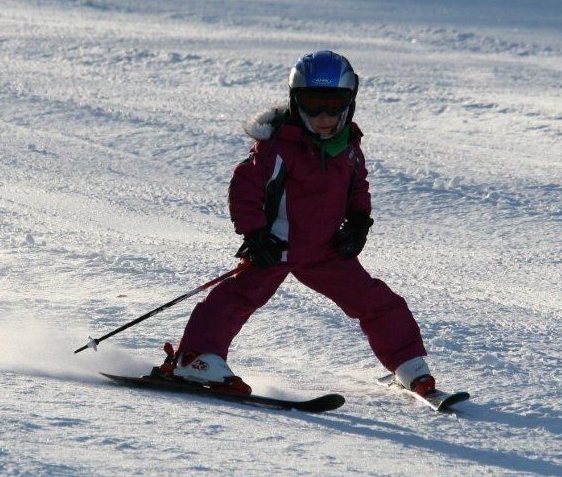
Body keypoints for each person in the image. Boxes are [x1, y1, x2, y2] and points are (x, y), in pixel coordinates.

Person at [159, 51, 434, 397]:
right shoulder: (277, 148)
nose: (323, 116)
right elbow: (245, 188)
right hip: (277, 246)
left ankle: (408, 363)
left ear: (350, 103)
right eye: (312, 104)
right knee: (235, 298)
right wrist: (256, 234)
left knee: (378, 301)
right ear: (295, 101)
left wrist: (359, 223)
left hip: (325, 251)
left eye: (333, 105)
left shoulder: (348, 147)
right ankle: (196, 359)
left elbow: (357, 186)